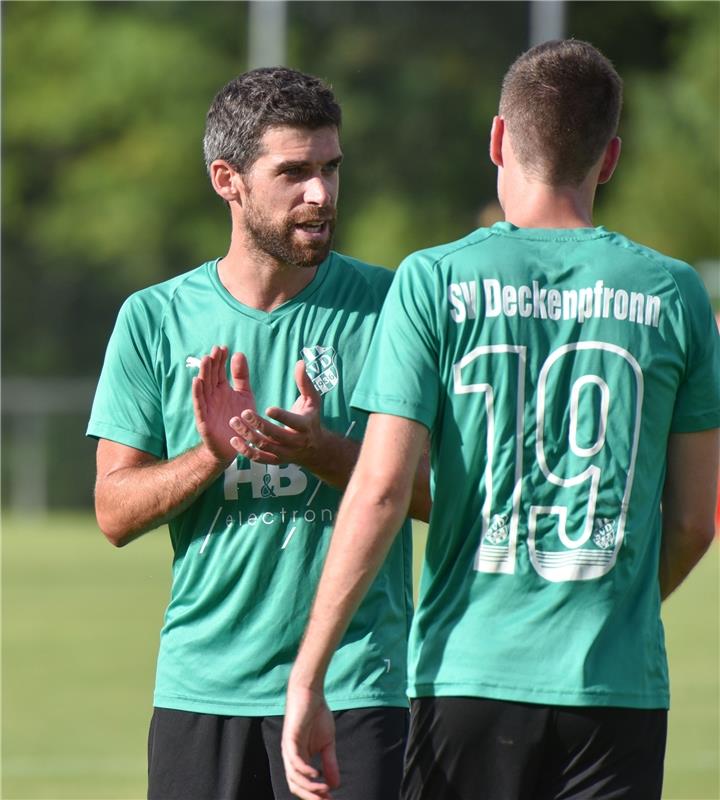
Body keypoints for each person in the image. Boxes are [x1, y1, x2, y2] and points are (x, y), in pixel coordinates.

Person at [282, 40, 720, 800]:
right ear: (609, 157)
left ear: (497, 139)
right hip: (616, 692)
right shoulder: (676, 293)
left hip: (468, 678)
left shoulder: (433, 279)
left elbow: (383, 490)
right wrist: (609, 611)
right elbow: (693, 522)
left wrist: (308, 675)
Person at [87, 66, 429, 800]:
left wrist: (324, 453)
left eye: (331, 169)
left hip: (354, 684)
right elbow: (114, 513)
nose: (322, 194)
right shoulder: (153, 319)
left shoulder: (392, 307)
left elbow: (447, 493)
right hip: (202, 689)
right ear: (227, 179)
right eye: (295, 173)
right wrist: (213, 453)